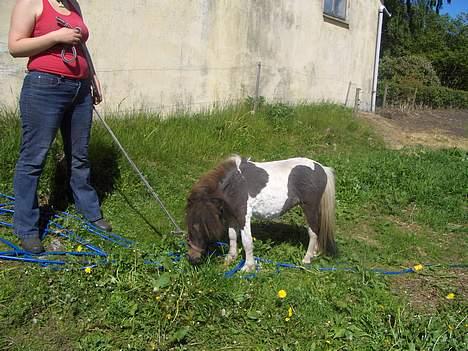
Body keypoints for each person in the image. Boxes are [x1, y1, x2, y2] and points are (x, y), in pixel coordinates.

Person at [8, 0, 111, 254]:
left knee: (79, 156)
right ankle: (27, 228)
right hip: (45, 87)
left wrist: (93, 76)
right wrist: (56, 36)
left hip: (79, 90)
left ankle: (90, 212)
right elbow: (15, 46)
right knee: (33, 159)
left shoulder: (73, 5)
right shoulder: (31, 3)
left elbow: (81, 44)